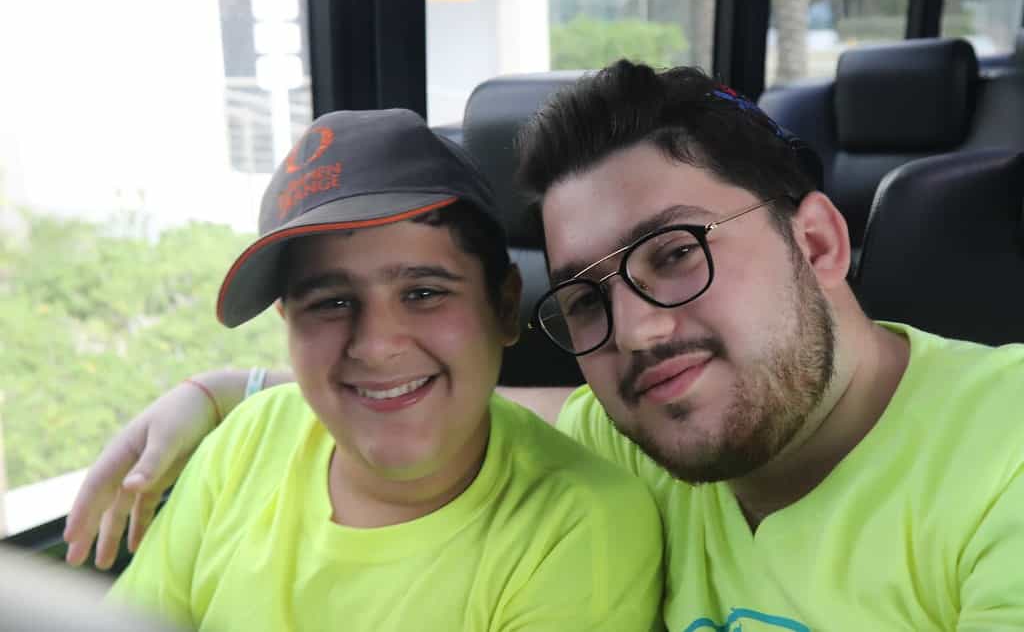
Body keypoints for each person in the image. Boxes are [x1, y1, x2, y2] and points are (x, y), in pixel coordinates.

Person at [67, 62, 1024, 630]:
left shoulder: (1001, 458)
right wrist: (225, 389)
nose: (638, 331)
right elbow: (443, 397)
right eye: (587, 297)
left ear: (816, 243)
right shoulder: (646, 431)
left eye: (675, 253)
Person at [90, 108, 663, 631]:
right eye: (331, 303)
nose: (375, 346)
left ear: (504, 307)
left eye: (424, 293)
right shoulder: (247, 440)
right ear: (288, 324)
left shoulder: (578, 529)